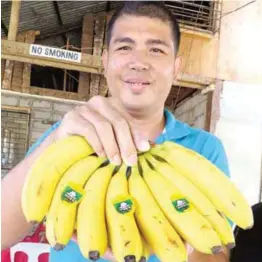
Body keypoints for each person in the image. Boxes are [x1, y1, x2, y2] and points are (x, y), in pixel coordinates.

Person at [1, 1, 232, 262]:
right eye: (125, 47)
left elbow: (217, 254)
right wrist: (54, 140)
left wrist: (174, 242)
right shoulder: (68, 136)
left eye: (156, 49)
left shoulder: (202, 150)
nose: (139, 62)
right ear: (105, 62)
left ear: (177, 69)